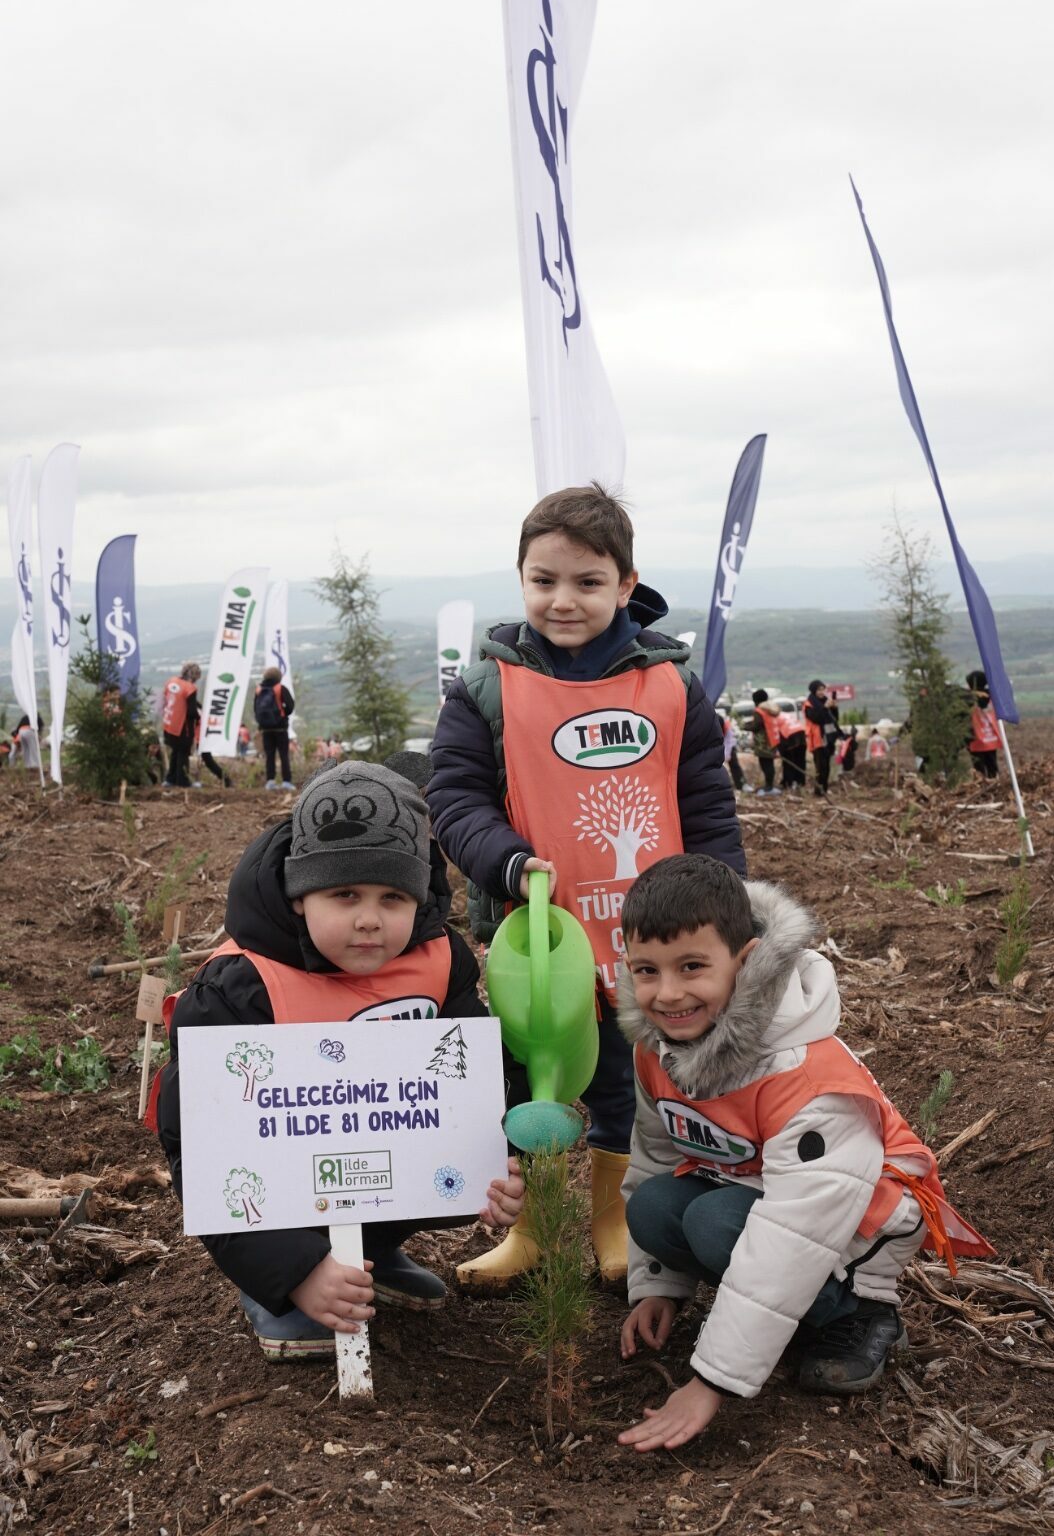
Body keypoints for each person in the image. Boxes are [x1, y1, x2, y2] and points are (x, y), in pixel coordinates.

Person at [428, 481, 745, 1287]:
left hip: (651, 938)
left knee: (625, 1087)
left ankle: (615, 1222)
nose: (562, 600)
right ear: (521, 578)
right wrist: (505, 860)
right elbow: (454, 797)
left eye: (588, 582)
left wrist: (728, 910)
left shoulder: (671, 686)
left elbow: (706, 804)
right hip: (542, 938)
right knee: (531, 1079)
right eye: (544, 580)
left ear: (626, 585)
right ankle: (531, 1230)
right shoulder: (486, 690)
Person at [614, 855, 993, 1453]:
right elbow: (654, 1158)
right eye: (646, 970)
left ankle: (858, 1315)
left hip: (861, 1221)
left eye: (692, 967)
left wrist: (710, 1382)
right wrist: (658, 1284)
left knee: (713, 1222)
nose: (668, 993)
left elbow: (795, 1231)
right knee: (655, 1207)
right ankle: (786, 1315)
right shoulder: (657, 1051)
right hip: (753, 1191)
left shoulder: (805, 1077)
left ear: (746, 962)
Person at [148, 760, 525, 1360]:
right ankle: (284, 1291)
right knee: (269, 1185)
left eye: (393, 897)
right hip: (281, 1204)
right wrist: (294, 1270)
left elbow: (476, 1082)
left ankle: (368, 1253)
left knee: (423, 1147)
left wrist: (499, 1156)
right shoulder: (239, 987)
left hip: (374, 1166)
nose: (369, 919)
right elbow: (202, 1153)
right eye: (344, 894)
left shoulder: (438, 961)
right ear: (300, 897)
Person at [254, 666, 296, 791]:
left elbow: (255, 709)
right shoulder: (280, 688)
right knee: (283, 755)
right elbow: (290, 706)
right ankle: (286, 781)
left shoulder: (259, 690)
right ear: (279, 677)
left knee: (269, 755)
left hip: (266, 729)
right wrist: (282, 715)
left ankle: (270, 781)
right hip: (280, 728)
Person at [161, 662, 202, 789]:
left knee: (175, 751)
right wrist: (199, 717)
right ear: (194, 675)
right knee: (183, 752)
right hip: (182, 726)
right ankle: (182, 781)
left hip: (169, 724)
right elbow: (191, 711)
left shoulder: (171, 681)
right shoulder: (190, 688)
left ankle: (170, 779)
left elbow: (173, 698)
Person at [803, 681, 840, 797]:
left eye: (823, 689)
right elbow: (816, 718)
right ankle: (819, 791)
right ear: (814, 690)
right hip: (817, 739)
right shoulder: (809, 704)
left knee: (827, 766)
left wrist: (834, 708)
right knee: (820, 766)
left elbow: (834, 719)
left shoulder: (826, 701)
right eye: (819, 690)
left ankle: (824, 789)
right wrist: (825, 708)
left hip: (828, 738)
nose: (821, 692)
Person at [966, 670, 1001, 779]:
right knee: (992, 768)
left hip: (975, 739)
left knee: (979, 771)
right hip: (991, 738)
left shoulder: (968, 699)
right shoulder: (992, 696)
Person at [746, 690, 780, 795]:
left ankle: (768, 787)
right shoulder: (769, 709)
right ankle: (770, 786)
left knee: (765, 764)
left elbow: (756, 726)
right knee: (769, 764)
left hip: (763, 742)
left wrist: (744, 726)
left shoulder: (759, 711)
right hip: (771, 740)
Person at [776, 706, 807, 790]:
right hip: (801, 734)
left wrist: (780, 750)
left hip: (789, 737)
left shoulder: (774, 718)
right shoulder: (786, 714)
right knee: (800, 760)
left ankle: (788, 782)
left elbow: (775, 735)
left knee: (788, 761)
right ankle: (800, 781)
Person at [721, 713, 750, 793]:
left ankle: (741, 784)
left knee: (734, 765)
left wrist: (727, 754)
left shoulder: (727, 727)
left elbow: (729, 741)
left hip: (729, 744)